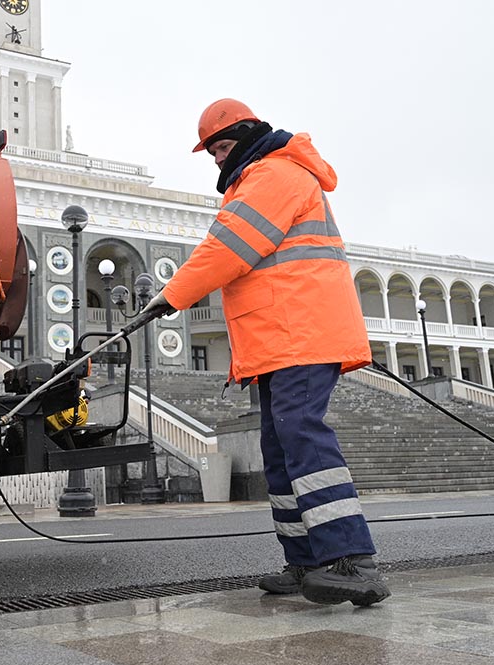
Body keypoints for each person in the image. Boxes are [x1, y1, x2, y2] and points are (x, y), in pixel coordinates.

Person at [140, 98, 389, 606]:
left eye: (222, 147)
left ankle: (352, 560)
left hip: (302, 332)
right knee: (279, 449)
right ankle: (305, 560)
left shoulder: (276, 174)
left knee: (302, 434)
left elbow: (229, 247)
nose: (216, 159)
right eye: (210, 152)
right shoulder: (257, 177)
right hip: (279, 339)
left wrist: (172, 295)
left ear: (250, 134)